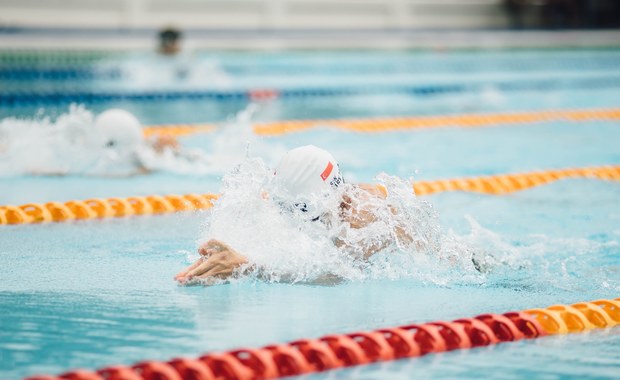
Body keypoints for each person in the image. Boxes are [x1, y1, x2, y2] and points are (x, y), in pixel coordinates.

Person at [174, 145, 416, 285]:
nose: (295, 219)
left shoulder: (366, 214)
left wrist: (248, 266)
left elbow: (331, 275)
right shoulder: (302, 196)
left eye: (304, 213)